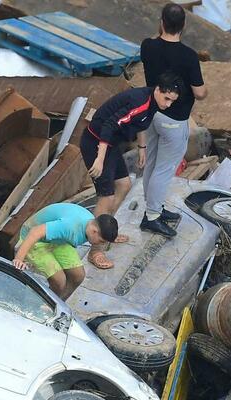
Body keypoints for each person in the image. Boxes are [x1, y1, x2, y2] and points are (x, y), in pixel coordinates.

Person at [79, 74, 184, 269]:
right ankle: (95, 249)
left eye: (172, 101)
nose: (168, 104)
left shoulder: (153, 103)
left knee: (124, 185)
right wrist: (99, 159)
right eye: (167, 98)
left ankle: (108, 230)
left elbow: (140, 124)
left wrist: (142, 148)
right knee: (106, 196)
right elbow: (110, 126)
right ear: (157, 90)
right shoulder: (141, 101)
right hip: (96, 142)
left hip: (111, 146)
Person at [138, 3, 207, 238]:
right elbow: (199, 92)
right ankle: (152, 216)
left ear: (161, 22)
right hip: (174, 119)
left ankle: (152, 207)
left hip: (151, 113)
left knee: (152, 163)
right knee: (164, 169)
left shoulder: (147, 46)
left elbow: (157, 42)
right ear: (184, 26)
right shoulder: (188, 56)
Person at [10, 202, 119, 299]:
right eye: (101, 241)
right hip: (36, 240)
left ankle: (60, 302)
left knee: (78, 276)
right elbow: (35, 232)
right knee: (59, 281)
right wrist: (19, 259)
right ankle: (45, 307)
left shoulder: (90, 223)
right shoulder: (69, 227)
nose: (100, 245)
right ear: (95, 231)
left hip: (58, 240)